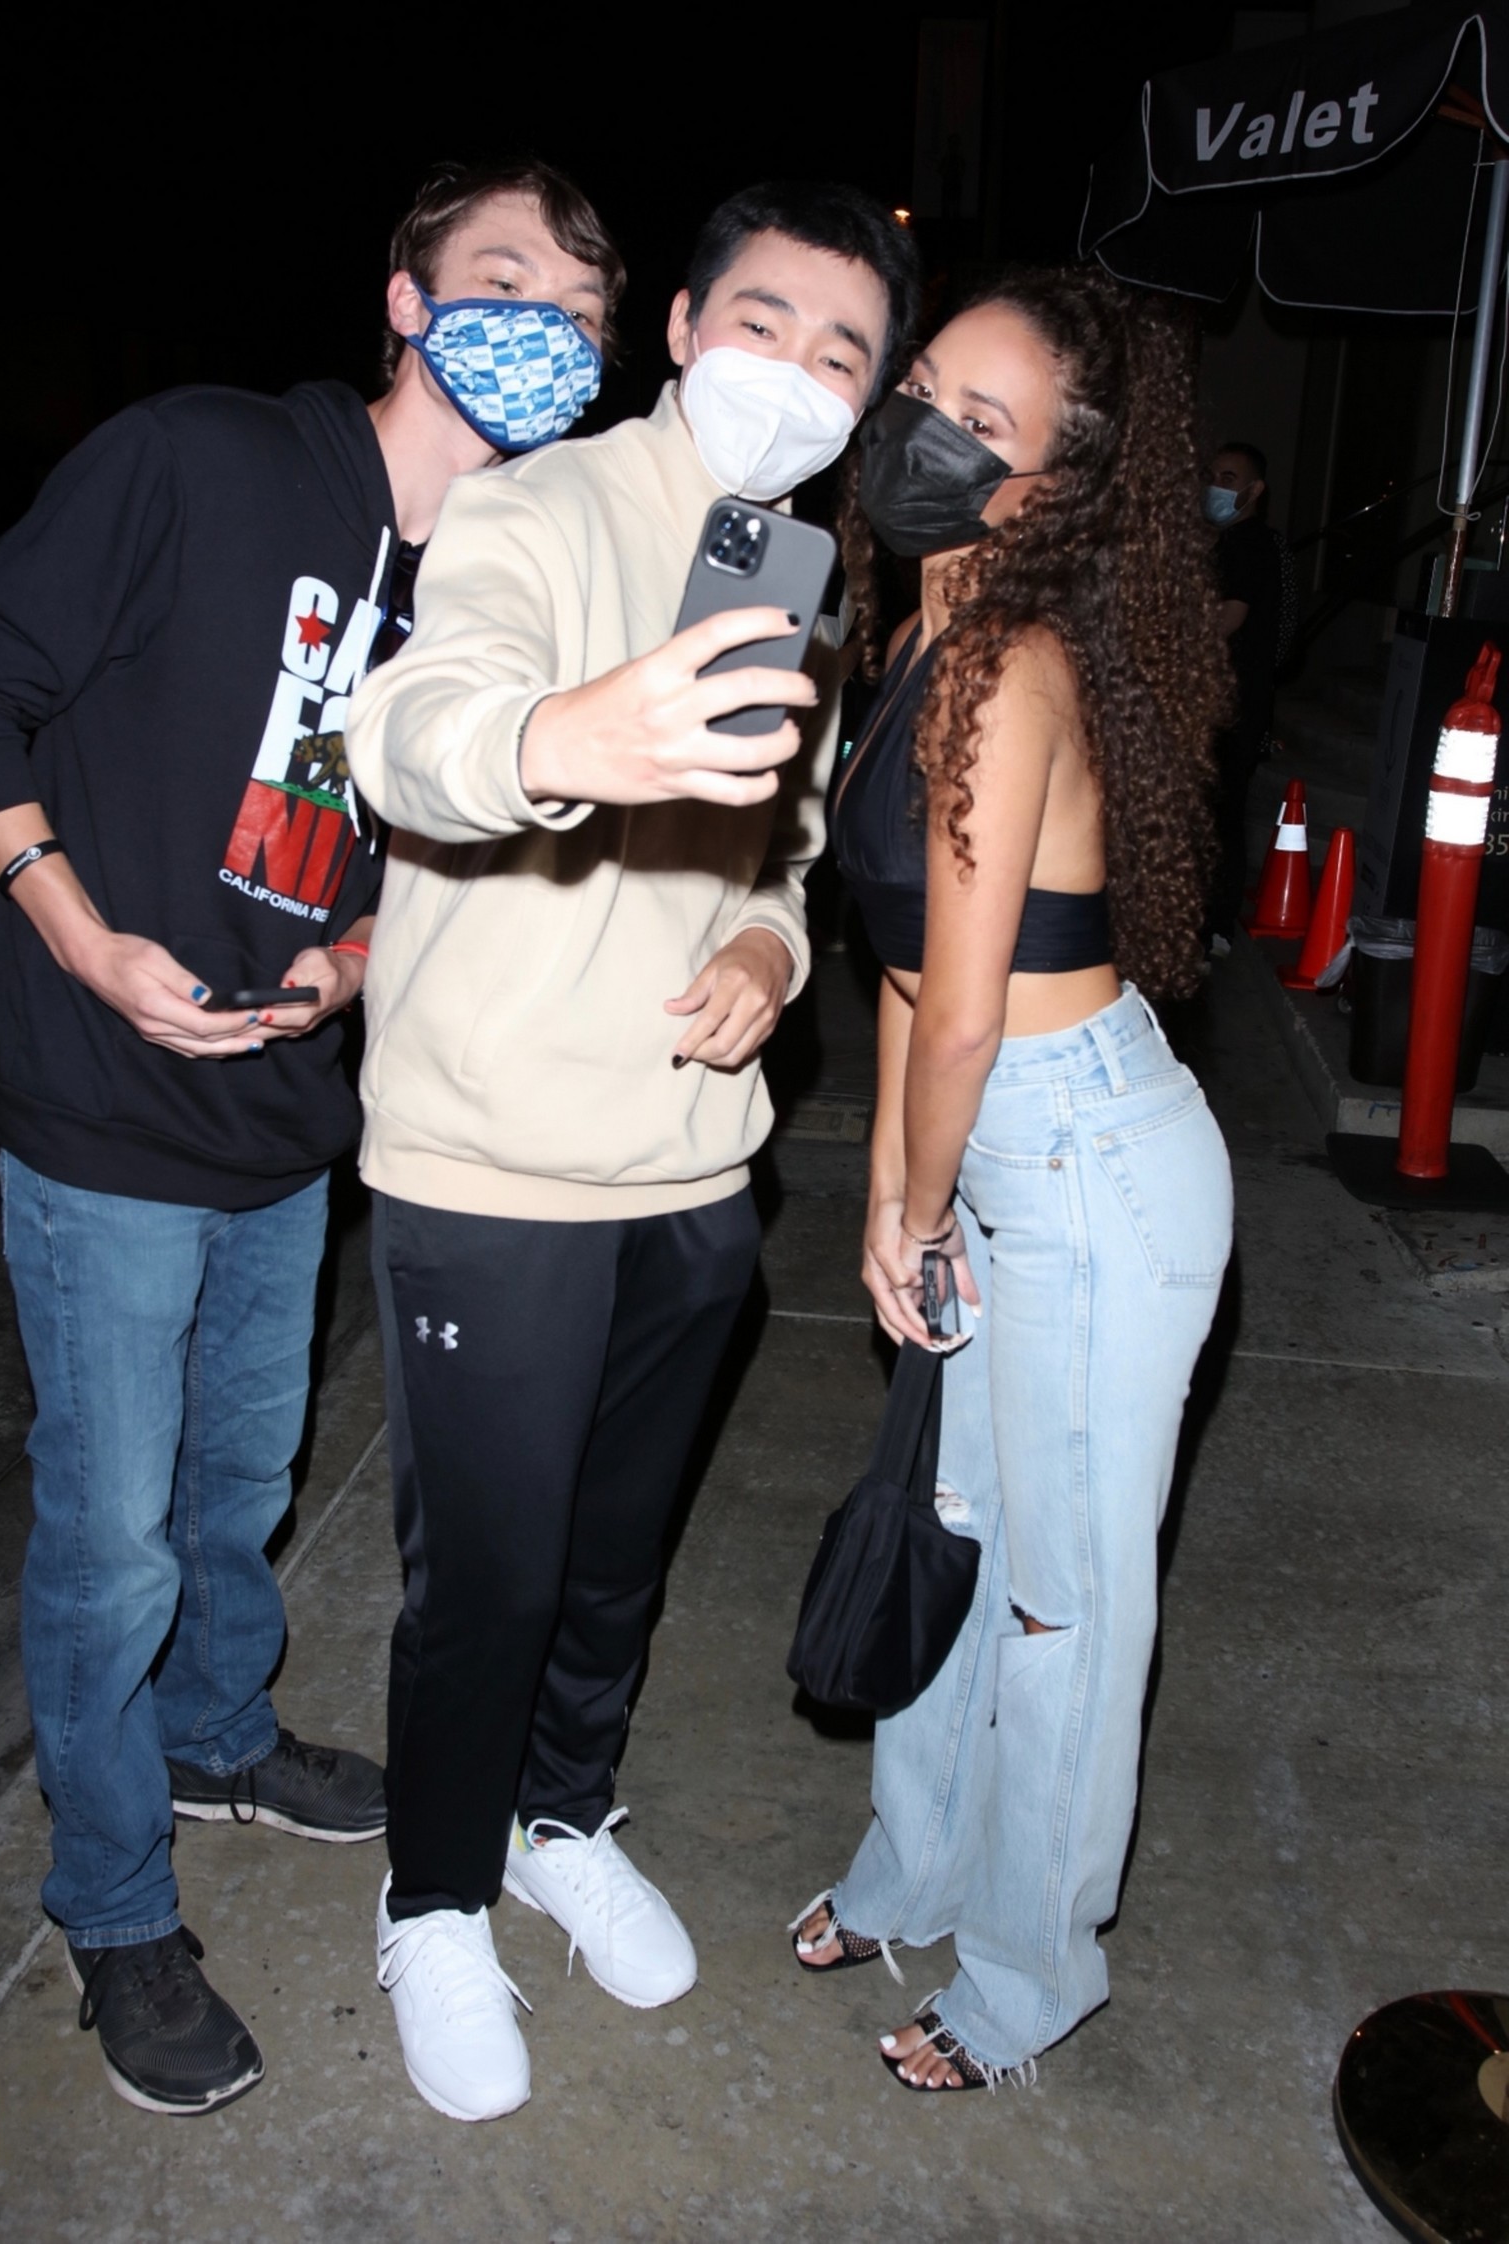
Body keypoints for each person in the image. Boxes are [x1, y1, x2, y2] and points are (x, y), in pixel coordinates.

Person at [0, 157, 623, 2118]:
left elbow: (446, 845)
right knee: (110, 1545)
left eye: (575, 312)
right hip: (105, 1109)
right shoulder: (199, 461)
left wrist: (359, 960)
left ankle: (219, 1736)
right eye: (499, 281)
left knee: (240, 1482)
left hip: (292, 1119)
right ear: (404, 299)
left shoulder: (505, 583)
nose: (537, 329)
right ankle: (109, 1900)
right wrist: (75, 932)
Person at [343, 180, 920, 2124]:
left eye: (840, 351)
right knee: (487, 1582)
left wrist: (766, 946)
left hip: (691, 1172)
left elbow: (786, 844)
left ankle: (559, 1819)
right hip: (497, 1168)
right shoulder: (534, 507)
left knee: (609, 1565)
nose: (794, 372)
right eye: (762, 322)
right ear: (679, 327)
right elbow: (413, 730)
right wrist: (564, 737)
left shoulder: (801, 567)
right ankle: (434, 1898)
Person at [790, 266, 1234, 2092]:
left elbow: (968, 1013)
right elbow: (905, 970)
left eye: (984, 422)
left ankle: (1033, 1969)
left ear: (1048, 487)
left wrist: (919, 1200)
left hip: (1090, 1165)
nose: (926, 432)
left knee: (1062, 1599)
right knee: (959, 1532)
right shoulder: (917, 635)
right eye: (924, 388)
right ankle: (917, 1865)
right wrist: (893, 1201)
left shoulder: (1007, 669)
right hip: (993, 1149)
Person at [1204, 439, 1286, 951]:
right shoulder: (1228, 543)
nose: (1214, 486)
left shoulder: (1249, 545)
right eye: (1211, 475)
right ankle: (1210, 923)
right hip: (1227, 699)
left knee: (1220, 813)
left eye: (1228, 479)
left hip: (1232, 703)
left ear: (1254, 491)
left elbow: (1229, 619)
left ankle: (1214, 925)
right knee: (1216, 812)